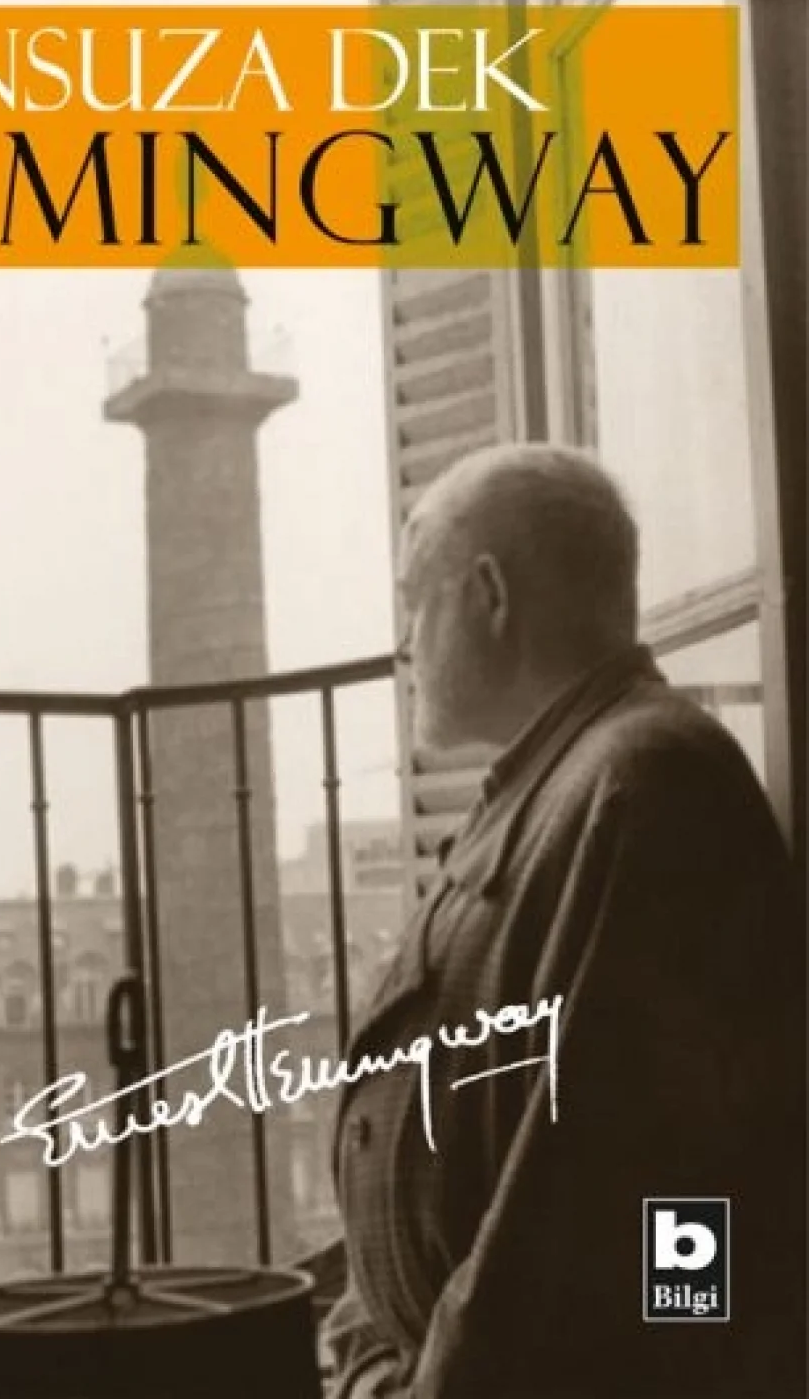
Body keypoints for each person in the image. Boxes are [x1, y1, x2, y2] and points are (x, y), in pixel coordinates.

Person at [324, 444, 805, 1399]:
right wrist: (365, 1342)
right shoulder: (567, 780)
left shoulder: (646, 780)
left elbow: (623, 1194)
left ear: (489, 595)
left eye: (415, 604)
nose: (404, 647)